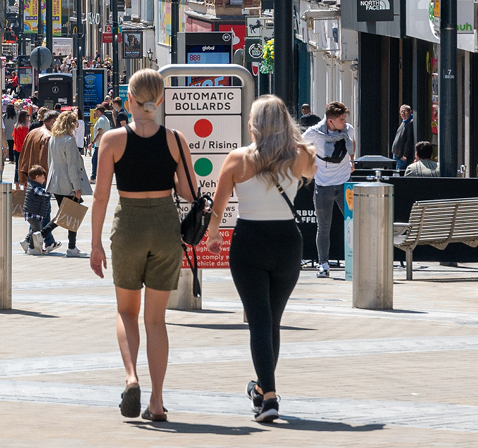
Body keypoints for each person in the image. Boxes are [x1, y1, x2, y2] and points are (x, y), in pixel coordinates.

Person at [88, 69, 196, 423]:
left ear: (129, 100)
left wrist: (95, 243)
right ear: (160, 100)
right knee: (157, 320)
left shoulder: (113, 140)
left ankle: (131, 376)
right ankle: (157, 400)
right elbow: (187, 192)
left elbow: (101, 196)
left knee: (126, 312)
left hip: (129, 224)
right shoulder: (176, 139)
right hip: (165, 225)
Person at [207, 95, 317, 424]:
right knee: (272, 319)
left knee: (259, 320)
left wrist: (212, 235)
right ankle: (263, 389)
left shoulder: (238, 159)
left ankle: (268, 395)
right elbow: (313, 169)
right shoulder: (300, 156)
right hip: (287, 242)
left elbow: (218, 204)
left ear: (254, 124)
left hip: (249, 242)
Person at [302, 101, 357, 279]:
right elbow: (298, 146)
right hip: (323, 184)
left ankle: (357, 262)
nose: (344, 122)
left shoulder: (348, 129)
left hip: (344, 184)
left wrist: (351, 160)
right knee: (323, 226)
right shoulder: (314, 133)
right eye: (341, 119)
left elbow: (352, 144)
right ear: (330, 121)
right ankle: (323, 264)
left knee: (354, 222)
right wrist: (308, 165)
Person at [46, 108, 91, 256]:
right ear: (69, 124)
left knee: (66, 214)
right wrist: (77, 187)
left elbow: (50, 161)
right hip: (68, 184)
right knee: (70, 214)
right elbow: (71, 166)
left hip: (56, 181)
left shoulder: (53, 138)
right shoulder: (69, 140)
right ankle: (69, 247)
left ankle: (70, 246)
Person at [22, 165, 58, 254]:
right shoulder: (35, 187)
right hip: (33, 213)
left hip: (33, 213)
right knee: (36, 231)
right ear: (37, 177)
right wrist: (50, 191)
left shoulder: (33, 185)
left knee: (34, 229)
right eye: (43, 177)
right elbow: (42, 192)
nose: (44, 180)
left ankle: (26, 241)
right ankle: (32, 247)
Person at [17, 109, 56, 187]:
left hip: (30, 175)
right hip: (41, 178)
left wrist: (22, 176)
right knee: (42, 199)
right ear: (53, 121)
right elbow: (44, 161)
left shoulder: (32, 132)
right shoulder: (48, 136)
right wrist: (47, 180)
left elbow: (22, 156)